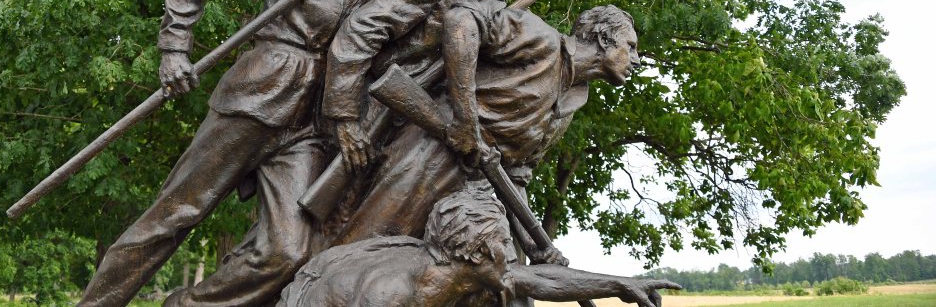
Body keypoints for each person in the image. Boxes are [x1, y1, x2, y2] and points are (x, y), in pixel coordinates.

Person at [78, 0, 528, 307]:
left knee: (286, 253)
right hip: (259, 95)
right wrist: (175, 48)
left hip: (314, 125)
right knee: (176, 213)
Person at [332, 3, 640, 258]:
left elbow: (515, 176)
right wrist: (466, 121)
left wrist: (533, 243)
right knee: (367, 255)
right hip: (431, 157)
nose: (636, 60)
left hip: (477, 199)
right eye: (631, 47)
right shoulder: (541, 39)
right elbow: (462, 19)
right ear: (604, 39)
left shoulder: (571, 105)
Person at [322, 0, 545, 173]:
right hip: (372, 117)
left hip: (426, 129)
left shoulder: (496, 14)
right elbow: (361, 30)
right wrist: (345, 119)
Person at [278, 185, 679, 307]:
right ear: (475, 252)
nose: (512, 252)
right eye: (503, 242)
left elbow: (542, 280)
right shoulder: (391, 295)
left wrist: (621, 284)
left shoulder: (453, 270)